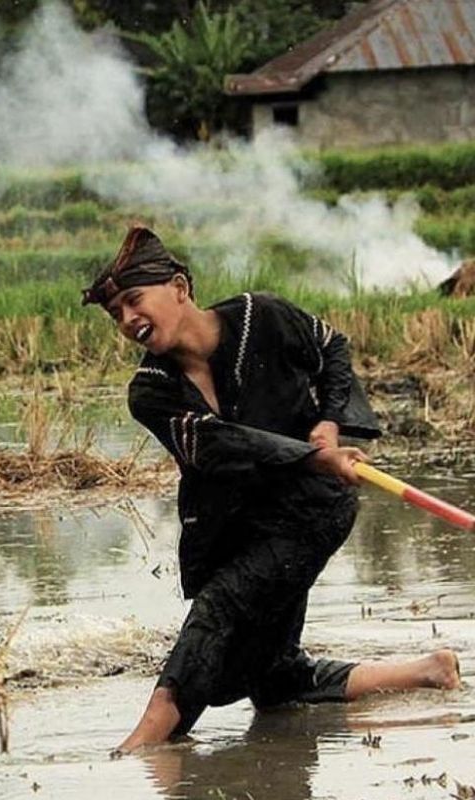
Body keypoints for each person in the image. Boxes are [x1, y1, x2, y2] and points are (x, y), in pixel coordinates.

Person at [81, 226, 461, 753]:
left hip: (309, 510)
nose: (126, 321)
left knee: (218, 610)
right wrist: (314, 455)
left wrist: (329, 424)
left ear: (180, 288)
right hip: (235, 524)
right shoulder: (150, 391)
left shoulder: (263, 317)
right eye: (115, 314)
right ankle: (426, 671)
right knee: (275, 683)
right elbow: (221, 445)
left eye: (132, 301)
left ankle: (137, 747)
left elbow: (332, 349)